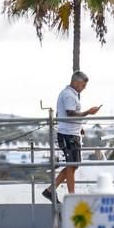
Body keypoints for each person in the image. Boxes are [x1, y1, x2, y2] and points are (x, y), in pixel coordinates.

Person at [42, 71, 102, 203]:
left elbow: (67, 114)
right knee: (72, 165)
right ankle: (71, 196)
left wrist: (79, 127)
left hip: (71, 133)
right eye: (83, 85)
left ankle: (50, 190)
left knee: (73, 165)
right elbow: (70, 114)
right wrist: (87, 112)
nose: (84, 88)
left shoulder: (71, 94)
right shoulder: (69, 95)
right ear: (75, 82)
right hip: (68, 135)